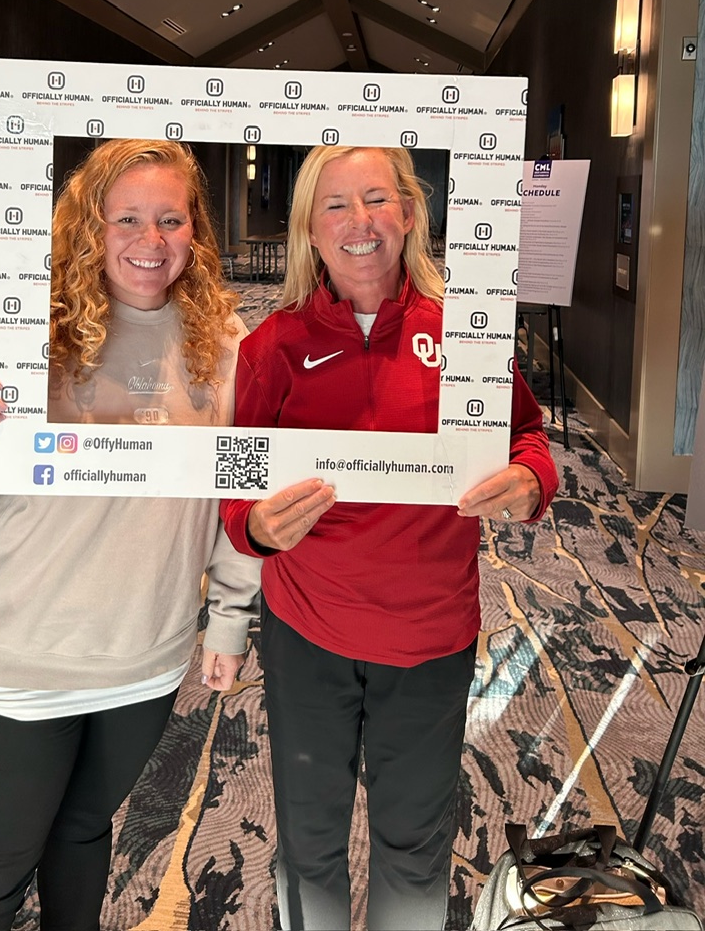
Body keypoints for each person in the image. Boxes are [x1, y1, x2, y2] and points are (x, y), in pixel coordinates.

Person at [0, 139, 261, 931]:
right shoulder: (33, 332)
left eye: (171, 219)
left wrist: (230, 617)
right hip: (23, 652)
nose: (151, 240)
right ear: (89, 228)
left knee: (82, 832)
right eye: (127, 218)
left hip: (144, 655)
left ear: (195, 231)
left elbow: (238, 494)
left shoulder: (225, 346)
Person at [220, 144, 559, 931]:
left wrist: (530, 480)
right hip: (308, 632)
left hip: (430, 636)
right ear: (309, 229)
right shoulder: (272, 346)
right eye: (335, 205)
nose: (360, 221)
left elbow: (528, 434)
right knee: (309, 840)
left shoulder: (465, 336)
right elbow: (235, 481)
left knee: (414, 843)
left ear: (409, 213)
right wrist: (254, 525)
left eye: (377, 199)